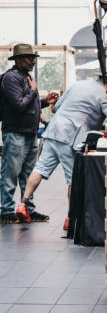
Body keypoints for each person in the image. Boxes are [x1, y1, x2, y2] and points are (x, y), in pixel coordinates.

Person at [16, 67, 107, 228]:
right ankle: (71, 219)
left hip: (53, 131)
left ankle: (22, 204)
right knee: (72, 178)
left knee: (40, 169)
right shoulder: (105, 95)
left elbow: (57, 107)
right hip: (70, 136)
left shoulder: (78, 85)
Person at [0, 43, 59, 224]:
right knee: (10, 172)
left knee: (28, 173)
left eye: (33, 58)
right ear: (18, 60)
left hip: (29, 133)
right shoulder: (11, 78)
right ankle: (6, 210)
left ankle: (27, 208)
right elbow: (19, 105)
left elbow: (27, 105)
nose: (33, 61)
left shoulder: (26, 77)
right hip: (15, 132)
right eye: (29, 58)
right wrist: (33, 92)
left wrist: (43, 101)